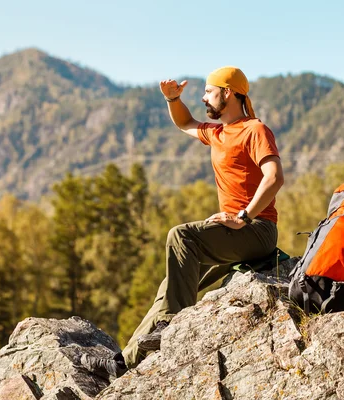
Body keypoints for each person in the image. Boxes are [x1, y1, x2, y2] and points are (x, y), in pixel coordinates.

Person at [81, 66, 284, 380]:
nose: (203, 97)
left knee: (181, 236)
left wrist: (244, 217)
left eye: (208, 91)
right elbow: (185, 122)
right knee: (170, 285)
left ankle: (172, 327)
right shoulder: (217, 133)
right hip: (234, 236)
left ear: (228, 92)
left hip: (257, 231)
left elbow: (274, 178)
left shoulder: (254, 130)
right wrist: (173, 100)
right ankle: (125, 363)